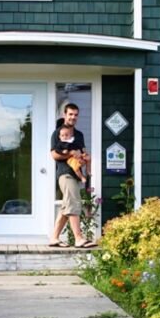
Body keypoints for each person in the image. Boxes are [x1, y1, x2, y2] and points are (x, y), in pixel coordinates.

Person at [48, 103, 96, 249]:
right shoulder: (58, 133)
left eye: (75, 115)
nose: (73, 117)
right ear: (65, 115)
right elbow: (54, 155)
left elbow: (83, 152)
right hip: (65, 174)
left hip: (76, 174)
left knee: (66, 206)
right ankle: (78, 238)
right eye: (70, 114)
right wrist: (70, 154)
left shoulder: (79, 135)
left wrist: (84, 158)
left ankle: (54, 238)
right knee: (74, 203)